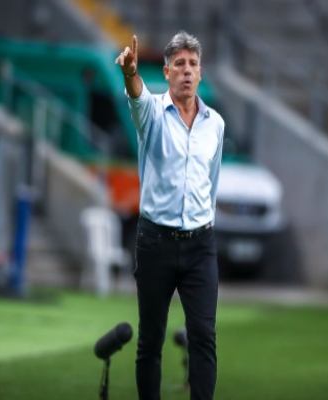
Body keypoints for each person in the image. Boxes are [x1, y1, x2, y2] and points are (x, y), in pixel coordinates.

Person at [115, 31, 225, 400]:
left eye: (193, 64)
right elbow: (136, 96)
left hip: (200, 244)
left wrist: (204, 225)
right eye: (179, 64)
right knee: (151, 339)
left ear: (201, 72)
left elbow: (211, 181)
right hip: (155, 242)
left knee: (204, 337)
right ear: (166, 72)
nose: (187, 71)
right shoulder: (151, 113)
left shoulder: (215, 124)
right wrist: (130, 72)